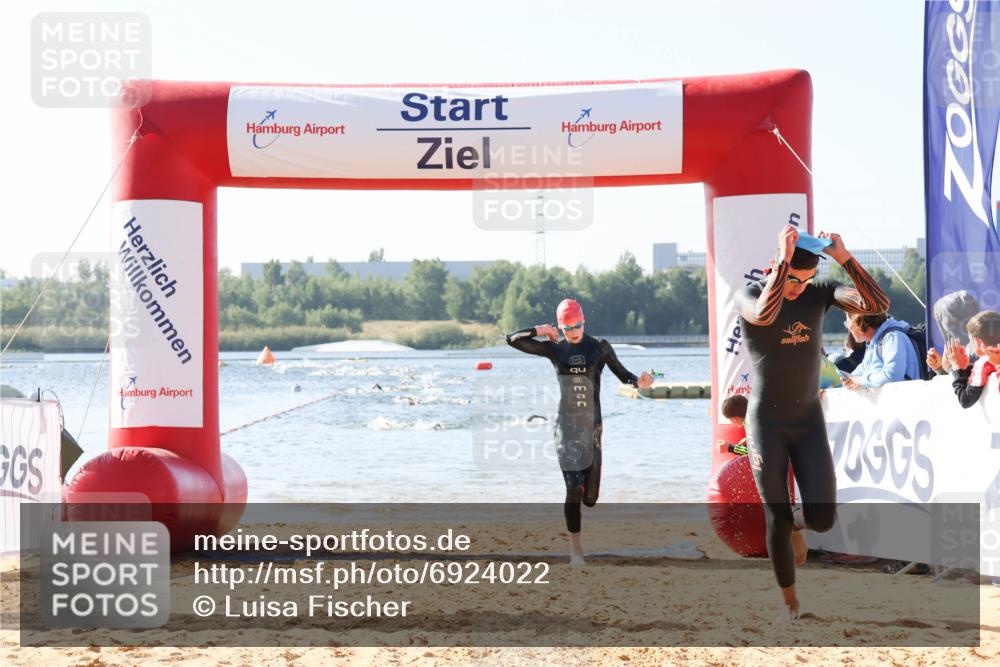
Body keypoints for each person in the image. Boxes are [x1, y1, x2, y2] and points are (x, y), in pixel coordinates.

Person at [735, 225, 889, 621]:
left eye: (805, 279)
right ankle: (791, 605)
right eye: (793, 279)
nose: (799, 288)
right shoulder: (750, 295)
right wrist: (784, 264)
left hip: (807, 421)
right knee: (775, 513)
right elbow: (766, 314)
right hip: (765, 423)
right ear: (778, 267)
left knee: (823, 517)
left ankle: (795, 524)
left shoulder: (820, 293)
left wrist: (844, 258)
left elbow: (877, 306)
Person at [505, 298, 653, 566]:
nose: (574, 331)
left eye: (578, 325)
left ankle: (584, 491)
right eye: (568, 327)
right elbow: (512, 339)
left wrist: (639, 383)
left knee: (590, 499)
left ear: (584, 322)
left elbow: (625, 376)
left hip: (592, 431)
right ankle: (576, 552)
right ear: (561, 327)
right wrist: (540, 330)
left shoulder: (599, 348)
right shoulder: (555, 349)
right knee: (573, 489)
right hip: (566, 429)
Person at [841, 312, 923, 389]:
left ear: (859, 323)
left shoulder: (893, 338)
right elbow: (862, 370)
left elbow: (892, 375)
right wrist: (847, 379)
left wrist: (860, 381)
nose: (849, 329)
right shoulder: (873, 343)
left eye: (848, 324)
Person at [945, 310, 1000, 409]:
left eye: (971, 341)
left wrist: (956, 368)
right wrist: (965, 368)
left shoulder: (983, 363)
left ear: (978, 341)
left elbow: (965, 400)